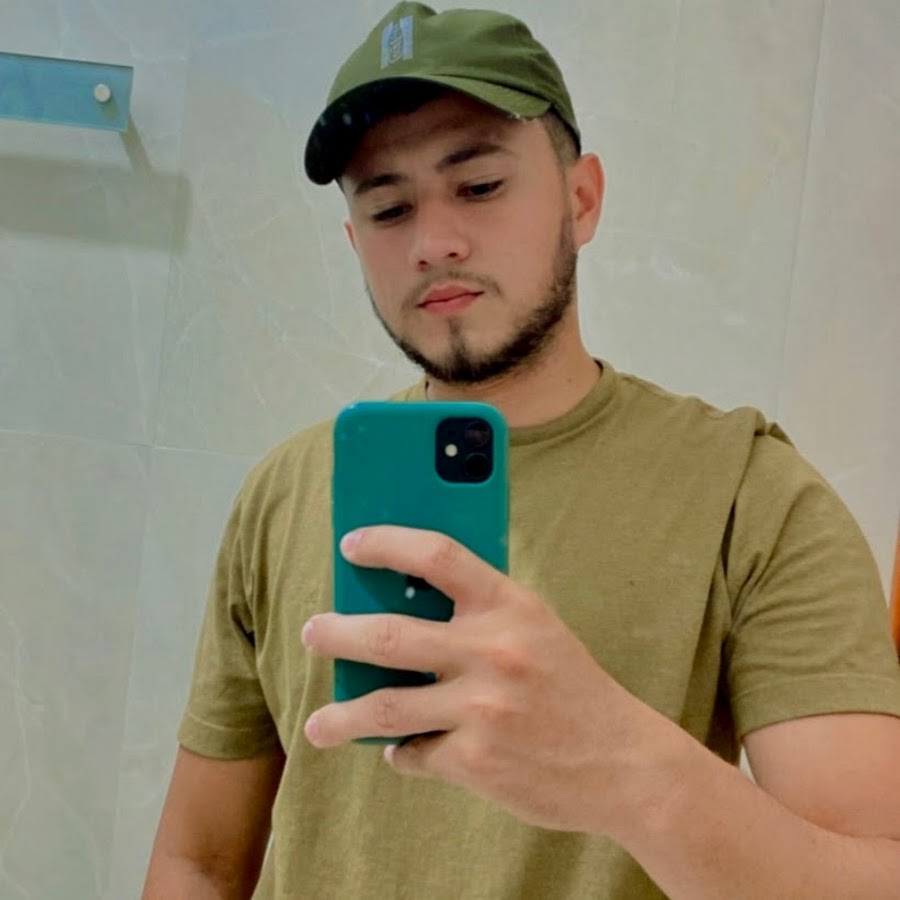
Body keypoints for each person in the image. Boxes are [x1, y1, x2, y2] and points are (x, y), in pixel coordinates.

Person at [143, 3, 900, 897]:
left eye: (479, 186)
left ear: (583, 200)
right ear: (355, 242)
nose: (434, 244)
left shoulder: (749, 493)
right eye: (388, 208)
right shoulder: (287, 490)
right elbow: (198, 861)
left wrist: (624, 766)